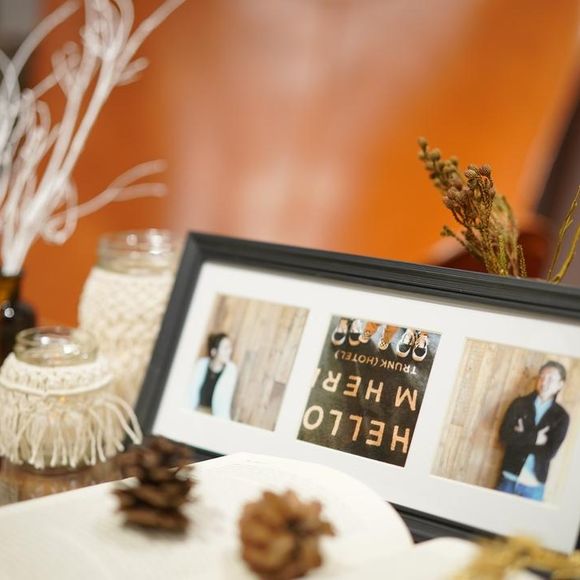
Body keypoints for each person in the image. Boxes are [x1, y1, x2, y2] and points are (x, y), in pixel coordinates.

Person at [496, 361, 569, 501]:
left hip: (534, 485)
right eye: (542, 377)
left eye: (550, 379)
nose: (544, 382)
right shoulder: (519, 404)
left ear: (560, 384)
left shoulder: (561, 416)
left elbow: (549, 452)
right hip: (508, 477)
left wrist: (521, 436)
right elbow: (504, 436)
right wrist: (534, 438)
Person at [188, 333, 238, 419]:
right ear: (214, 352)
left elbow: (223, 403)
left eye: (230, 347)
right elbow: (190, 393)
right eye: (225, 348)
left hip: (214, 417)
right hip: (195, 413)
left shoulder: (231, 371)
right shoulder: (201, 365)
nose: (229, 351)